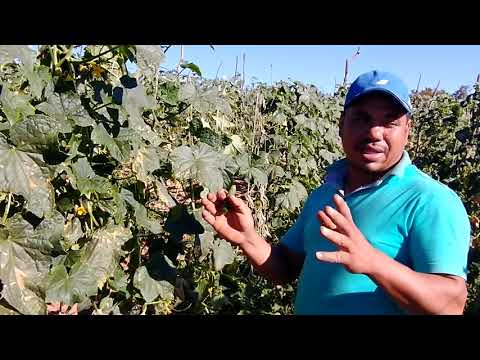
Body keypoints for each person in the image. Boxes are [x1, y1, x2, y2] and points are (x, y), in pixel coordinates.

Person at [201, 70, 471, 315]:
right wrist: (247, 239)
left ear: (407, 131)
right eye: (361, 118)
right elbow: (285, 269)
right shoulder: (325, 193)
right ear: (342, 125)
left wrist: (373, 262)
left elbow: (451, 304)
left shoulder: (431, 201)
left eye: (389, 122)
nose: (374, 132)